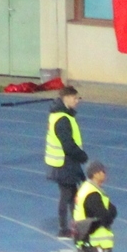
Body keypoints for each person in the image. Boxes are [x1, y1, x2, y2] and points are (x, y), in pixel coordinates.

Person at [45, 85, 88, 235]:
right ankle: (64, 229)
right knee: (67, 195)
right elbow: (68, 144)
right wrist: (81, 156)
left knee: (72, 194)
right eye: (75, 98)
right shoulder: (62, 119)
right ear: (66, 98)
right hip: (64, 162)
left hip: (62, 161)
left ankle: (75, 226)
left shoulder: (59, 115)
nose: (77, 101)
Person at [73, 160, 116, 252]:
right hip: (96, 244)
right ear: (95, 174)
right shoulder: (93, 194)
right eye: (103, 171)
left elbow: (111, 210)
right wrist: (109, 215)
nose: (105, 174)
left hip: (88, 241)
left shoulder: (87, 189)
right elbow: (106, 216)